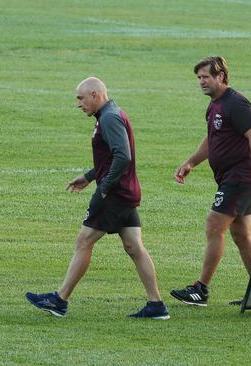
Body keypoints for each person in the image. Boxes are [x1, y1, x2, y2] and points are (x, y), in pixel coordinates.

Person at [26, 77, 169, 320]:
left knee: (84, 241)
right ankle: (156, 305)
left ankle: (59, 300)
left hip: (114, 194)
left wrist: (104, 188)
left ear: (95, 95)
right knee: (134, 247)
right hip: (126, 192)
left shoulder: (109, 118)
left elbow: (122, 156)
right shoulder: (111, 114)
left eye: (81, 98)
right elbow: (111, 158)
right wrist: (90, 176)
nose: (78, 104)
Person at [170, 56, 251, 306]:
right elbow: (212, 139)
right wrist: (192, 162)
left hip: (240, 178)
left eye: (206, 77)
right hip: (231, 178)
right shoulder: (215, 105)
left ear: (221, 77)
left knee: (214, 225)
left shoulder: (236, 103)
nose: (202, 82)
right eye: (199, 78)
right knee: (242, 235)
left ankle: (200, 289)